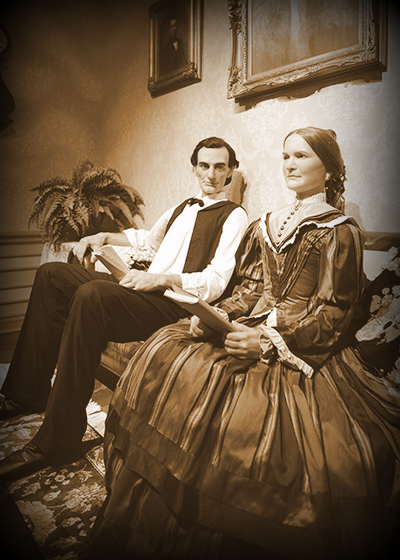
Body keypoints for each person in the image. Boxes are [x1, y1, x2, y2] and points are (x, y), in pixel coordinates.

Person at [82, 127, 400, 560]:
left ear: (328, 169)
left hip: (301, 344)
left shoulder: (340, 231)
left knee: (242, 405)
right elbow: (251, 290)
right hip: (251, 325)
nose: (290, 164)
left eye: (302, 156)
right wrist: (213, 317)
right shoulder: (265, 223)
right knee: (168, 348)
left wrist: (267, 343)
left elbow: (334, 313)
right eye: (286, 156)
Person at [0, 136, 248, 481]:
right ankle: (26, 394)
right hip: (146, 291)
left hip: (176, 304)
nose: (211, 174)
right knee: (51, 275)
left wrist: (160, 279)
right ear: (194, 168)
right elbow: (145, 240)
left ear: (231, 171)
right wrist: (102, 237)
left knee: (92, 295)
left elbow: (217, 280)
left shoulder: (234, 215)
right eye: (204, 165)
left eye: (220, 167)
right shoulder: (183, 208)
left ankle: (58, 441)